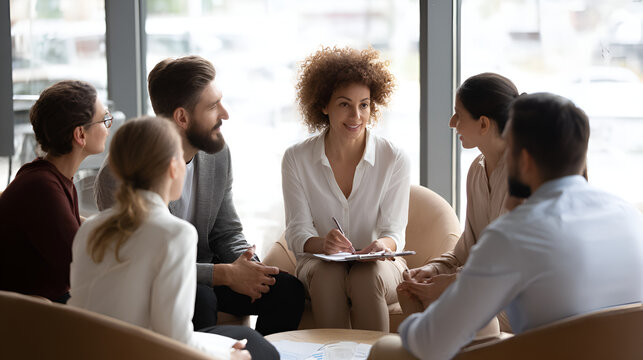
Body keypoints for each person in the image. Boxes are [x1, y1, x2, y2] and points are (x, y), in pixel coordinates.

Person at [397, 93, 643, 360]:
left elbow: (429, 344)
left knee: (387, 352)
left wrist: (409, 324)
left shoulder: (514, 235)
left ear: (523, 161)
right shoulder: (630, 216)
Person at [94, 56, 304, 335]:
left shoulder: (216, 153)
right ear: (182, 117)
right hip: (155, 279)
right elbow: (147, 263)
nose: (225, 114)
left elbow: (226, 231)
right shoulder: (122, 173)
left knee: (287, 290)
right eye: (213, 106)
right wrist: (223, 275)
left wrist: (250, 267)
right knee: (199, 297)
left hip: (208, 270)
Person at [70, 117, 278, 360]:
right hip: (144, 351)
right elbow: (173, 339)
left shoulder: (89, 229)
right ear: (172, 167)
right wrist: (225, 355)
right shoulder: (175, 234)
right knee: (255, 345)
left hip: (90, 349)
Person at [282, 46, 411, 332]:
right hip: (319, 266)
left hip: (380, 268)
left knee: (366, 276)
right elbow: (297, 232)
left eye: (364, 104)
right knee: (329, 273)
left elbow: (395, 232)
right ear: (323, 105)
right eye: (344, 104)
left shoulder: (394, 158)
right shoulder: (296, 158)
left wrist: (383, 246)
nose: (356, 115)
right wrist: (323, 244)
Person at [397, 73, 519, 332]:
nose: (452, 123)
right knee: (408, 291)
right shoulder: (477, 169)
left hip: (514, 297)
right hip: (481, 287)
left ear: (483, 124)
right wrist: (432, 270)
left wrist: (451, 284)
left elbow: (507, 265)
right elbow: (466, 250)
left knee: (450, 302)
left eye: (458, 115)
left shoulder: (522, 175)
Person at [0, 80, 110, 303]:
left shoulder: (51, 178)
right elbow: (80, 266)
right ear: (80, 135)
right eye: (105, 119)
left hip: (44, 305)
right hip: (28, 316)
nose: (109, 128)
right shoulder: (41, 187)